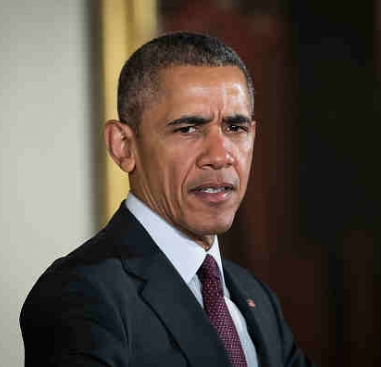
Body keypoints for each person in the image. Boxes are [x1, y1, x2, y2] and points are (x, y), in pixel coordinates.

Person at [20, 32, 315, 367]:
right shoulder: (80, 295)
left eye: (235, 128)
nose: (220, 156)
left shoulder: (257, 300)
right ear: (124, 147)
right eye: (188, 128)